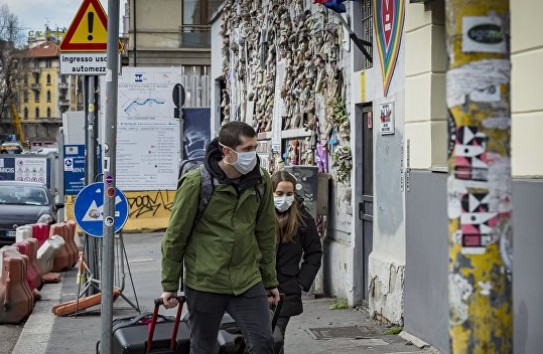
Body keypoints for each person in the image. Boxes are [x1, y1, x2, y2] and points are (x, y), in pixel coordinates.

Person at [160, 121, 280, 354]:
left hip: (247, 280)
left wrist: (270, 281)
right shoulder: (197, 182)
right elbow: (175, 236)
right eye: (247, 150)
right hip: (205, 282)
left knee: (264, 343)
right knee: (203, 348)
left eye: (255, 148)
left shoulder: (260, 180)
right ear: (227, 152)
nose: (253, 155)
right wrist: (170, 285)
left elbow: (265, 232)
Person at [271, 170, 323, 349]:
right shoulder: (259, 216)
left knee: (275, 337)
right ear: (271, 193)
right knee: (264, 339)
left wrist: (301, 282)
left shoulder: (302, 219)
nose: (284, 198)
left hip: (286, 291)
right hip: (258, 290)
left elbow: (314, 252)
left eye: (289, 194)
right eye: (279, 194)